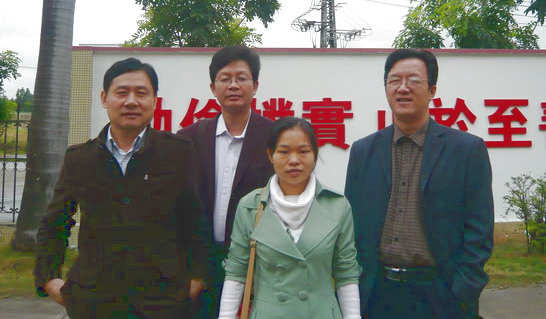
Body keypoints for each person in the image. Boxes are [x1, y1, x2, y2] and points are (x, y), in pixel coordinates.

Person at [34, 57, 212, 319]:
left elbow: (195, 221)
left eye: (141, 93)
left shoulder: (178, 151)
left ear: (154, 100)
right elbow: (55, 223)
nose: (131, 101)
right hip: (94, 301)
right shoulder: (80, 158)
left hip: (163, 301)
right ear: (104, 98)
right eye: (121, 92)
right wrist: (49, 279)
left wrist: (197, 280)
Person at [345, 49, 494, 319]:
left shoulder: (466, 150)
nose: (403, 88)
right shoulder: (363, 151)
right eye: (394, 80)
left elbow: (479, 229)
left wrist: (462, 291)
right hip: (377, 294)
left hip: (440, 295)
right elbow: (352, 226)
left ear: (432, 90)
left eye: (414, 80)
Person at [218, 117, 362, 319]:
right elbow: (236, 272)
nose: (294, 160)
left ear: (315, 154)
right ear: (270, 155)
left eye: (303, 151)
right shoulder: (251, 206)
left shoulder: (337, 205)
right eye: (284, 152)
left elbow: (346, 272)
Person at [178, 45, 273, 316]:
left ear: (255, 86)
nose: (233, 85)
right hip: (200, 268)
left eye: (241, 78)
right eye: (225, 78)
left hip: (257, 268)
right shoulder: (188, 139)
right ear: (213, 87)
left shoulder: (275, 137)